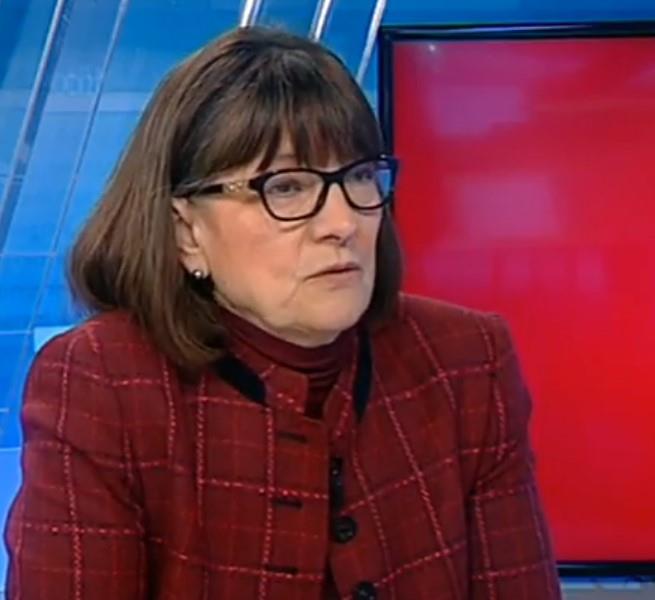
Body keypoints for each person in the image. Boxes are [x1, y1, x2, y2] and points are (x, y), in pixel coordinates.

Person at [4, 26, 561, 600]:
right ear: (186, 232)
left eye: (359, 177)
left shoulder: (466, 362)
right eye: (287, 187)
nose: (342, 223)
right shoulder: (103, 384)